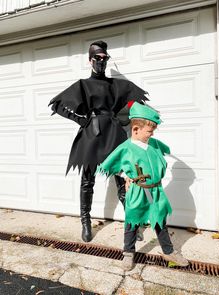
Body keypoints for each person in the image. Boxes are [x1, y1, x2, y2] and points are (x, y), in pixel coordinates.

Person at [48, 41, 148, 242]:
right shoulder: (83, 85)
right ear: (90, 60)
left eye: (105, 58)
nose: (101, 62)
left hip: (113, 133)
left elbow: (135, 101)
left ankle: (132, 223)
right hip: (91, 135)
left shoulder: (116, 85)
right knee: (87, 181)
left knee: (121, 179)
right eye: (97, 58)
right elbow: (57, 105)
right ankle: (85, 222)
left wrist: (125, 119)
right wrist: (81, 119)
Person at [96, 101, 189, 270]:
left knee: (160, 220)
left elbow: (165, 148)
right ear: (136, 130)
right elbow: (112, 166)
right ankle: (128, 253)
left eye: (153, 131)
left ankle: (168, 251)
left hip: (156, 190)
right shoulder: (126, 148)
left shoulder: (153, 144)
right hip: (138, 191)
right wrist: (127, 176)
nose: (151, 135)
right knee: (132, 222)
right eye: (149, 131)